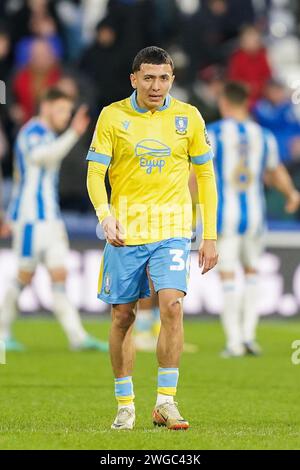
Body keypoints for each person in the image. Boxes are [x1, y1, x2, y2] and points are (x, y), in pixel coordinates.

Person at [86, 46, 218, 430]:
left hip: (173, 230)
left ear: (172, 79)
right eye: (148, 77)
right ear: (134, 79)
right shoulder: (113, 116)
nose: (156, 86)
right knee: (123, 315)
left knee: (172, 306)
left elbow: (206, 178)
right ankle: (125, 404)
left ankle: (166, 402)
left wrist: (209, 234)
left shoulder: (188, 117)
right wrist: (105, 216)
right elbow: (96, 173)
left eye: (163, 78)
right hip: (126, 231)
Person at [0, 88, 108, 352]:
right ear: (46, 107)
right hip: (30, 221)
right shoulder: (31, 133)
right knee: (24, 276)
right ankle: (2, 334)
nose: (65, 116)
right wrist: (73, 132)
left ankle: (77, 337)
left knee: (60, 276)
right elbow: (43, 157)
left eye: (68, 112)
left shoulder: (47, 135)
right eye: (61, 110)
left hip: (51, 219)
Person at [207, 82, 300, 357]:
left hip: (224, 217)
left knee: (227, 275)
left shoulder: (213, 134)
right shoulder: (263, 135)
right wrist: (291, 193)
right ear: (246, 103)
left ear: (224, 102)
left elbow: (195, 174)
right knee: (251, 273)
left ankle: (234, 341)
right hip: (255, 217)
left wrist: (192, 209)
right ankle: (249, 336)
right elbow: (275, 171)